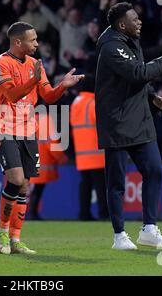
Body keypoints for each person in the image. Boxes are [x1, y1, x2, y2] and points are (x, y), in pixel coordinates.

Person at [0, 21, 84, 255]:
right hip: (5, 127)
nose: (37, 44)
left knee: (25, 187)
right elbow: (10, 94)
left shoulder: (34, 64)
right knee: (16, 179)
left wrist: (63, 85)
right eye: (33, 40)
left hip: (28, 130)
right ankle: (1, 231)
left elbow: (48, 97)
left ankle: (16, 239)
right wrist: (34, 79)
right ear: (18, 42)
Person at [95, 2, 162, 250]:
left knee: (154, 170)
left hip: (139, 117)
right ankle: (119, 236)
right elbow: (137, 73)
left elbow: (135, 80)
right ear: (122, 25)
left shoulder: (130, 41)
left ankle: (149, 229)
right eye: (135, 19)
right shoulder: (112, 47)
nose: (140, 22)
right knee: (116, 181)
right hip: (117, 121)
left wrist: (152, 96)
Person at [70, 78, 109, 221]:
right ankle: (104, 214)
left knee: (85, 184)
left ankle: (84, 213)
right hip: (96, 153)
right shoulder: (93, 104)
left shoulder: (76, 103)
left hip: (81, 153)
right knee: (101, 186)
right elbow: (103, 125)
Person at [29, 111, 68, 220]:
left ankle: (32, 213)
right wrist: (61, 157)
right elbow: (51, 143)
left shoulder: (29, 118)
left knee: (34, 189)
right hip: (42, 160)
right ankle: (33, 213)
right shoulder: (45, 119)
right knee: (37, 189)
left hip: (29, 159)